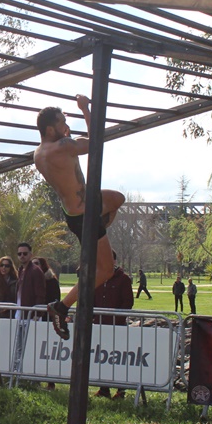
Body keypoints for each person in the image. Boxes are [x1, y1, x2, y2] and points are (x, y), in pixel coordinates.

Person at [33, 96, 126, 340]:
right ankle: (61, 307)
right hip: (85, 214)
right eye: (63, 122)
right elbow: (97, 141)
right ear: (51, 129)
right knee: (105, 270)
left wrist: (66, 135)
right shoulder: (62, 146)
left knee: (118, 199)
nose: (66, 125)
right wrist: (86, 109)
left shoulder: (39, 153)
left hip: (80, 206)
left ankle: (96, 239)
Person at [94, 253, 134, 399]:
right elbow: (92, 298)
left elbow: (127, 302)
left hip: (117, 327)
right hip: (99, 325)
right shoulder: (97, 277)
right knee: (102, 357)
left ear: (114, 261)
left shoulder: (123, 279)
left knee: (117, 358)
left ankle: (121, 390)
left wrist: (118, 319)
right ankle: (104, 388)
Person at [15, 243, 46, 317]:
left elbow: (40, 294)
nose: (22, 256)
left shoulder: (35, 271)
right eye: (19, 254)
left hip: (31, 315)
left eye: (25, 253)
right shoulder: (21, 270)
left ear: (30, 255)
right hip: (19, 311)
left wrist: (37, 314)